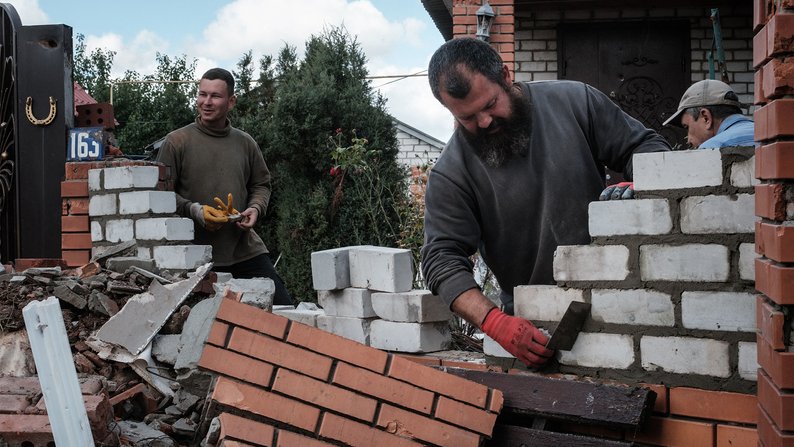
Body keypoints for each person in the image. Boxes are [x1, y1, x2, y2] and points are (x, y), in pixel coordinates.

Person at [420, 38, 670, 368]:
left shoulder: (575, 102)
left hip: (617, 303)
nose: (483, 122)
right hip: (535, 332)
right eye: (467, 117)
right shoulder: (452, 174)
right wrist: (495, 323)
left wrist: (638, 184)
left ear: (506, 76)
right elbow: (440, 258)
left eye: (490, 104)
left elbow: (649, 148)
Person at [157, 68, 293, 305]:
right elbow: (159, 196)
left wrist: (255, 209)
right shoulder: (177, 142)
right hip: (195, 256)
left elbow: (261, 184)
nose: (206, 102)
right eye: (202, 94)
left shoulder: (245, 142)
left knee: (283, 308)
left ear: (231, 101)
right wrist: (195, 211)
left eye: (215, 96)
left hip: (243, 248)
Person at [662, 79, 755, 149]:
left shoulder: (713, 148)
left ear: (706, 118)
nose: (688, 140)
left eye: (687, 127)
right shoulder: (765, 133)